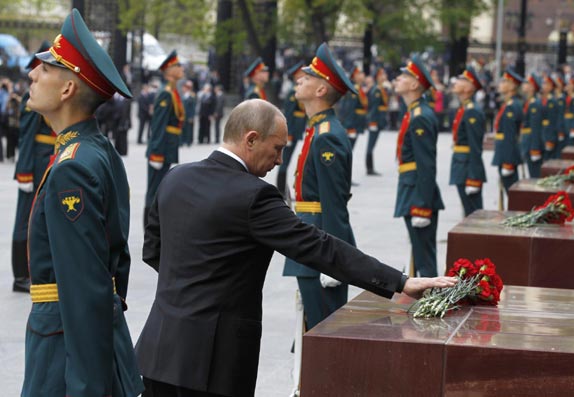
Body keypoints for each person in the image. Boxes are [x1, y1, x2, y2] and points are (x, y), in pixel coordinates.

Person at [135, 98, 457, 397]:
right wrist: (400, 282)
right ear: (250, 139)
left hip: (158, 351)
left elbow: (153, 250)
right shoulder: (254, 197)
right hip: (214, 363)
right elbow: (320, 247)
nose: (278, 160)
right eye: (276, 149)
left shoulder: (175, 178)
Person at [22, 9, 143, 396]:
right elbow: (113, 269)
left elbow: (85, 286)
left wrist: (87, 386)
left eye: (45, 68)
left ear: (68, 89)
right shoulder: (95, 151)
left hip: (63, 348)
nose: (32, 74)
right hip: (83, 339)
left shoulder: (73, 168)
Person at [281, 43, 357, 330]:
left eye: (309, 77)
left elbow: (334, 203)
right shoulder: (317, 128)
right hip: (311, 235)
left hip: (320, 242)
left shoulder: (327, 136)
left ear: (321, 90)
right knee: (311, 327)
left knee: (322, 328)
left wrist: (334, 259)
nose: (300, 80)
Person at [392, 55, 444, 277]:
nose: (398, 79)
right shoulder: (414, 112)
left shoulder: (420, 116)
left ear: (414, 85)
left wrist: (422, 204)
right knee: (420, 254)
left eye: (404, 76)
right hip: (411, 188)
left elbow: (426, 164)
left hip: (417, 193)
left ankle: (433, 304)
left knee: (424, 259)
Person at [11, 40, 53, 293]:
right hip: (34, 162)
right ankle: (19, 276)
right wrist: (24, 172)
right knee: (24, 220)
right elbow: (26, 138)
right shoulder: (31, 96)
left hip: (47, 158)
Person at [144, 50, 185, 226]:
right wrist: (156, 152)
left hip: (168, 146)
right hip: (160, 149)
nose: (181, 68)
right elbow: (158, 125)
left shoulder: (172, 92)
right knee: (154, 191)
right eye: (177, 66)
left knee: (160, 189)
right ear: (168, 70)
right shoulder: (165, 93)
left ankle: (155, 226)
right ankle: (149, 226)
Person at [449, 66, 487, 217]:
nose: (456, 82)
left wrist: (474, 177)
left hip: (467, 168)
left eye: (461, 80)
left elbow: (475, 147)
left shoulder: (472, 111)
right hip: (461, 165)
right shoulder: (465, 108)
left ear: (469, 87)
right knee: (468, 212)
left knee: (474, 214)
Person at [276, 61, 306, 196]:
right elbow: (288, 115)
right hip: (291, 132)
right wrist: (287, 134)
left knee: (287, 161)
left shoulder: (298, 91)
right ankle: (280, 190)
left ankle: (281, 189)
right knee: (285, 161)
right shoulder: (292, 93)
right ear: (296, 75)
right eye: (302, 73)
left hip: (296, 131)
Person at [492, 69, 523, 196]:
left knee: (512, 194)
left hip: (507, 155)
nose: (500, 84)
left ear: (511, 86)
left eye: (504, 81)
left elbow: (510, 135)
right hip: (503, 152)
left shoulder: (512, 106)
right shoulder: (507, 104)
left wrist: (508, 162)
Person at [338, 65, 368, 150]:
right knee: (348, 149)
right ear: (354, 76)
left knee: (350, 149)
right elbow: (349, 108)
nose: (363, 75)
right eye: (360, 73)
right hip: (353, 124)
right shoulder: (353, 89)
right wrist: (349, 127)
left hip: (357, 123)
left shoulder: (359, 88)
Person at [520, 73, 543, 178]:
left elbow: (535, 127)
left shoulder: (534, 104)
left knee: (534, 174)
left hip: (532, 143)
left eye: (527, 83)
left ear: (532, 87)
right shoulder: (528, 102)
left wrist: (535, 148)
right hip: (527, 141)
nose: (524, 85)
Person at [366, 67, 388, 175]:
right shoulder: (376, 90)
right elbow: (374, 108)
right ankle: (369, 168)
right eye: (382, 74)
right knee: (371, 144)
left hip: (379, 120)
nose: (385, 76)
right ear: (378, 77)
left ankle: (370, 167)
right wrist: (372, 122)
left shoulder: (381, 89)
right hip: (375, 120)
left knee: (372, 145)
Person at [540, 73, 558, 160]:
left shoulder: (552, 101)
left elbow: (553, 121)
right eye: (543, 83)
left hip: (548, 134)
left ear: (551, 87)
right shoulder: (539, 100)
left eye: (547, 84)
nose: (544, 86)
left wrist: (550, 139)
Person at [553, 74, 567, 156]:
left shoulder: (562, 98)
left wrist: (561, 129)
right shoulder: (554, 98)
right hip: (552, 127)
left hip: (559, 126)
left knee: (558, 149)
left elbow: (561, 115)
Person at [181, 79, 196, 146]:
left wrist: (191, 116)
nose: (183, 89)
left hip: (188, 115)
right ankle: (183, 140)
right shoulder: (182, 96)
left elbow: (192, 107)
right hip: (183, 115)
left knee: (188, 129)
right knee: (183, 128)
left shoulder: (191, 96)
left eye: (184, 88)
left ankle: (188, 141)